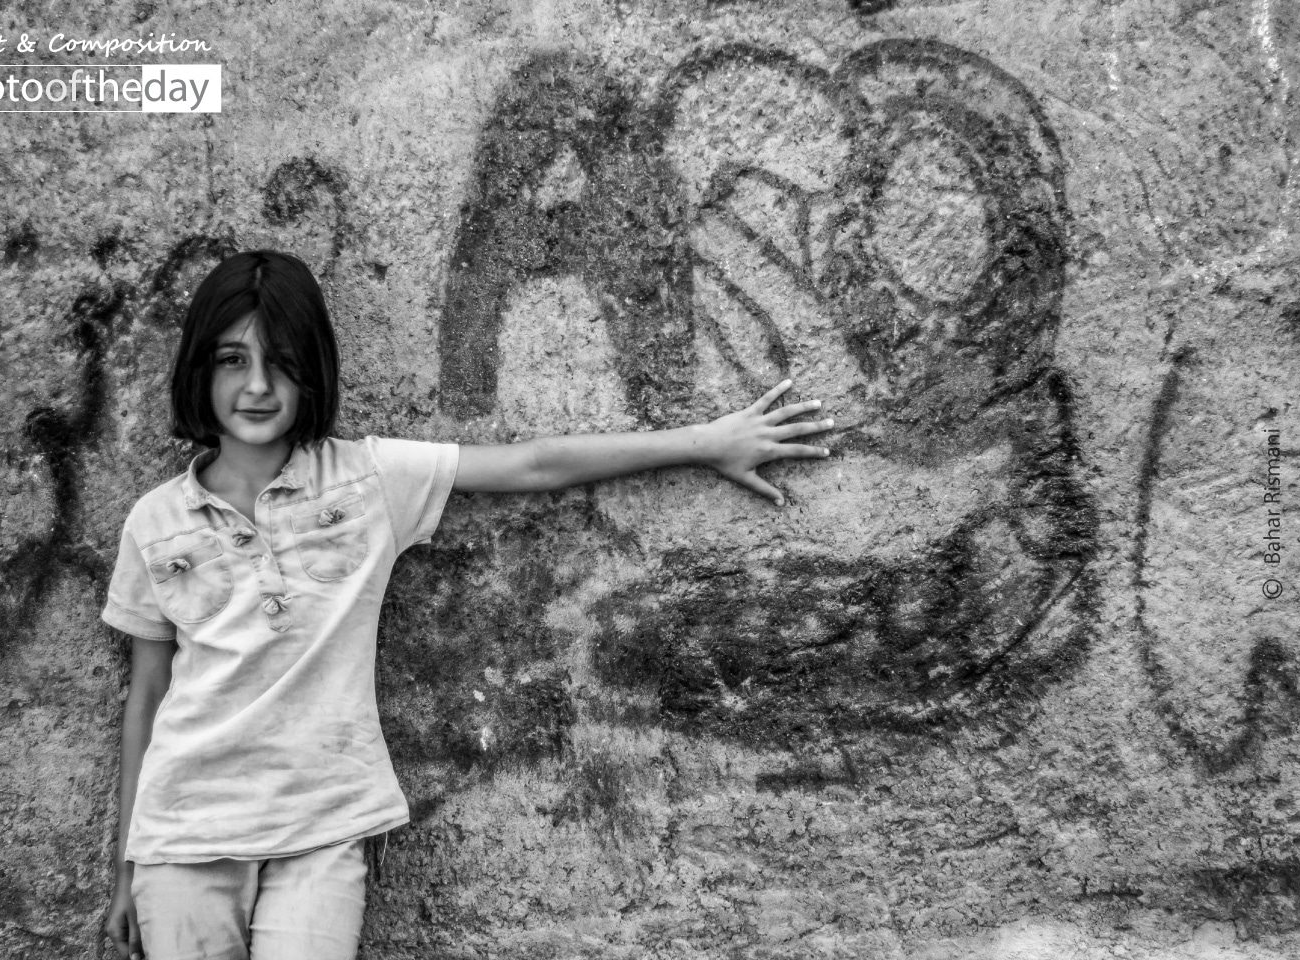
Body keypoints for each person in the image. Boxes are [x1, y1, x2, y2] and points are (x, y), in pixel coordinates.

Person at [101, 250, 832, 960]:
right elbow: (149, 695)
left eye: (282, 361)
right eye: (232, 360)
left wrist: (706, 443)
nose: (258, 385)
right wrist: (127, 867)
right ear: (200, 370)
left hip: (325, 824)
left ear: (312, 369)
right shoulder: (154, 521)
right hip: (182, 836)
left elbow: (534, 462)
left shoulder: (367, 481)